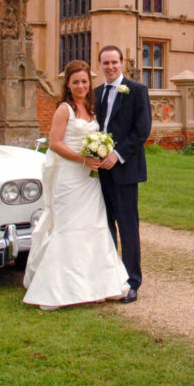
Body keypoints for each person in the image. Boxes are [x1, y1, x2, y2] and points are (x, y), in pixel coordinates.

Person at [23, 60, 129, 310]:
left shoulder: (91, 108)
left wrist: (100, 152)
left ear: (89, 83)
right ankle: (59, 290)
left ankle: (98, 285)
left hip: (89, 180)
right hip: (70, 177)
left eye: (84, 81)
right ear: (67, 85)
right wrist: (83, 159)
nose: (81, 86)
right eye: (76, 82)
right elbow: (55, 143)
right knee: (69, 228)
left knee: (93, 226)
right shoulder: (64, 109)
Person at [94, 45, 152, 303]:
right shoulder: (95, 93)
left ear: (122, 62)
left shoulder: (137, 91)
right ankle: (109, 277)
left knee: (128, 227)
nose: (110, 67)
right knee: (104, 226)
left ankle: (132, 282)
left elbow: (142, 130)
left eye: (114, 62)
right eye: (105, 63)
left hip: (125, 169)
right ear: (100, 64)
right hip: (98, 173)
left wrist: (116, 155)